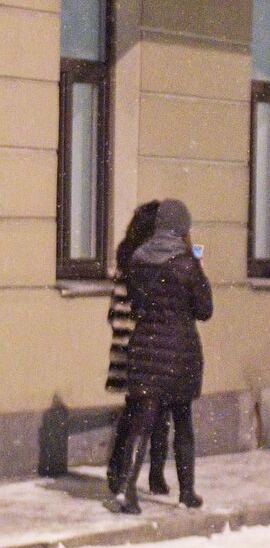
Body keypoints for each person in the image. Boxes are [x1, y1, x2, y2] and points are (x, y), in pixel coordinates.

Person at [108, 199, 213, 515]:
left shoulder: (137, 261)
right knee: (182, 421)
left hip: (145, 346)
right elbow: (204, 310)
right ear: (182, 227)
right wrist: (199, 270)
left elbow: (137, 307)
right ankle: (187, 493)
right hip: (180, 351)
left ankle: (128, 489)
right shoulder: (187, 264)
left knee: (141, 420)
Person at [106, 200, 172, 495]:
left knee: (140, 411)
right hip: (143, 349)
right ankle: (138, 474)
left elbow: (116, 311)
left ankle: (124, 471)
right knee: (150, 413)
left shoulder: (131, 259)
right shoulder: (144, 263)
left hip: (131, 347)